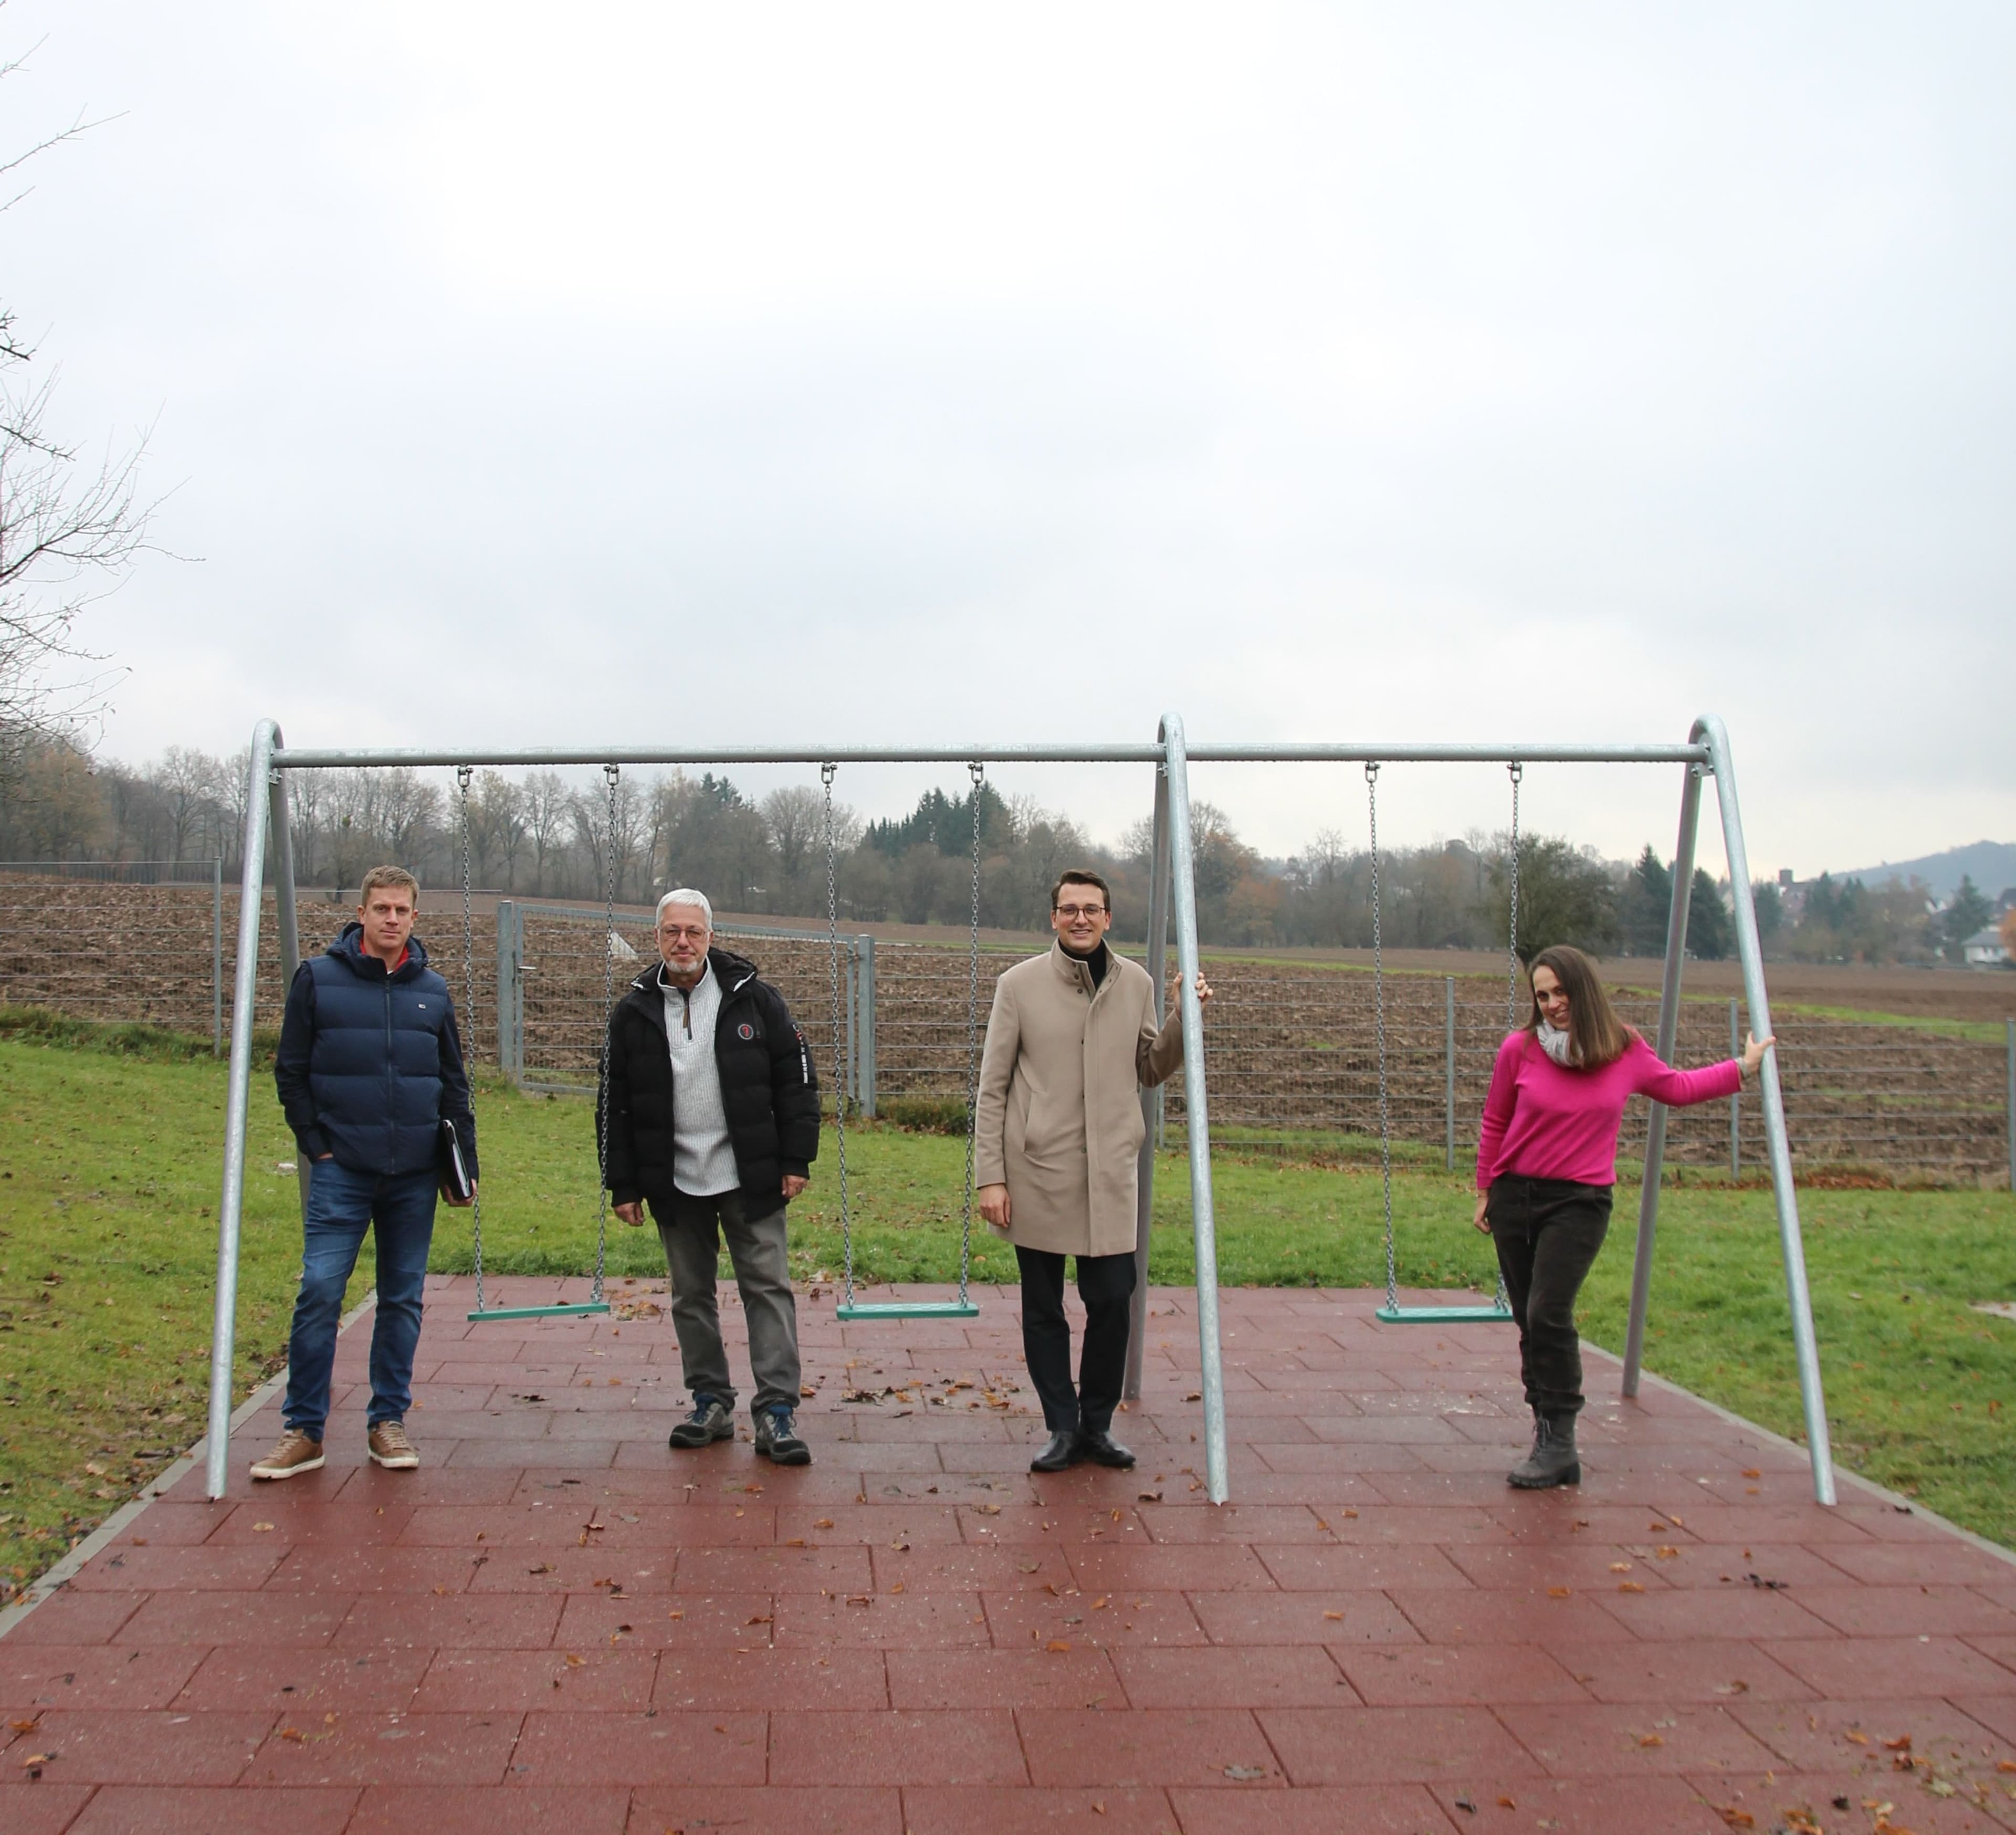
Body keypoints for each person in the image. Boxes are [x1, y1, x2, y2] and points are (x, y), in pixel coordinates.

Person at [1475, 943, 1773, 1489]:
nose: (1552, 1005)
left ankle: (1562, 1439)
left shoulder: (1623, 1048)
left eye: (1561, 992)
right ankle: (1546, 1435)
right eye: (1542, 996)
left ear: (1582, 990)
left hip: (1579, 1202)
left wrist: (1743, 1069)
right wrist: (1484, 1189)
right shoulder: (1519, 1050)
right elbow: (1496, 1120)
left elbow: (1677, 1087)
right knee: (1528, 1320)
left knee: (1548, 1312)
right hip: (1515, 1197)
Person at [975, 868, 1212, 1474]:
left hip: (1110, 1176)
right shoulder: (1018, 986)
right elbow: (992, 1088)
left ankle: (1097, 1424)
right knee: (1043, 1306)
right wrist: (990, 1177)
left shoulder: (1136, 983)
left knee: (1113, 1299)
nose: (1080, 918)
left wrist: (1185, 1018)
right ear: (1053, 918)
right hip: (1038, 1171)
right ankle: (1061, 1426)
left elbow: (1151, 1067)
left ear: (1109, 919)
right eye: (1069, 908)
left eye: (1092, 909)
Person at [258, 865, 477, 1480]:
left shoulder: (432, 990)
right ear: (361, 913)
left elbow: (454, 1086)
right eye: (380, 908)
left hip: (413, 1173)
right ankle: (303, 1430)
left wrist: (465, 1166)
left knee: (402, 1299)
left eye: (401, 910)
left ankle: (388, 1421)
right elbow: (291, 1071)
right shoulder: (319, 980)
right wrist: (317, 1146)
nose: (390, 919)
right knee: (320, 1292)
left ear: (414, 917)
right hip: (342, 1170)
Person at [602, 889, 820, 1465]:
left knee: (767, 1289)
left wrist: (796, 1161)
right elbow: (614, 1102)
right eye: (672, 931)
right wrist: (623, 1183)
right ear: (656, 938)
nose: (683, 942)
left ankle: (776, 1410)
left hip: (750, 1173)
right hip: (673, 1177)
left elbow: (796, 1083)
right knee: (690, 1295)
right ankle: (710, 1401)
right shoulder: (634, 1011)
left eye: (693, 932)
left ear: (710, 936)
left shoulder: (756, 1001)